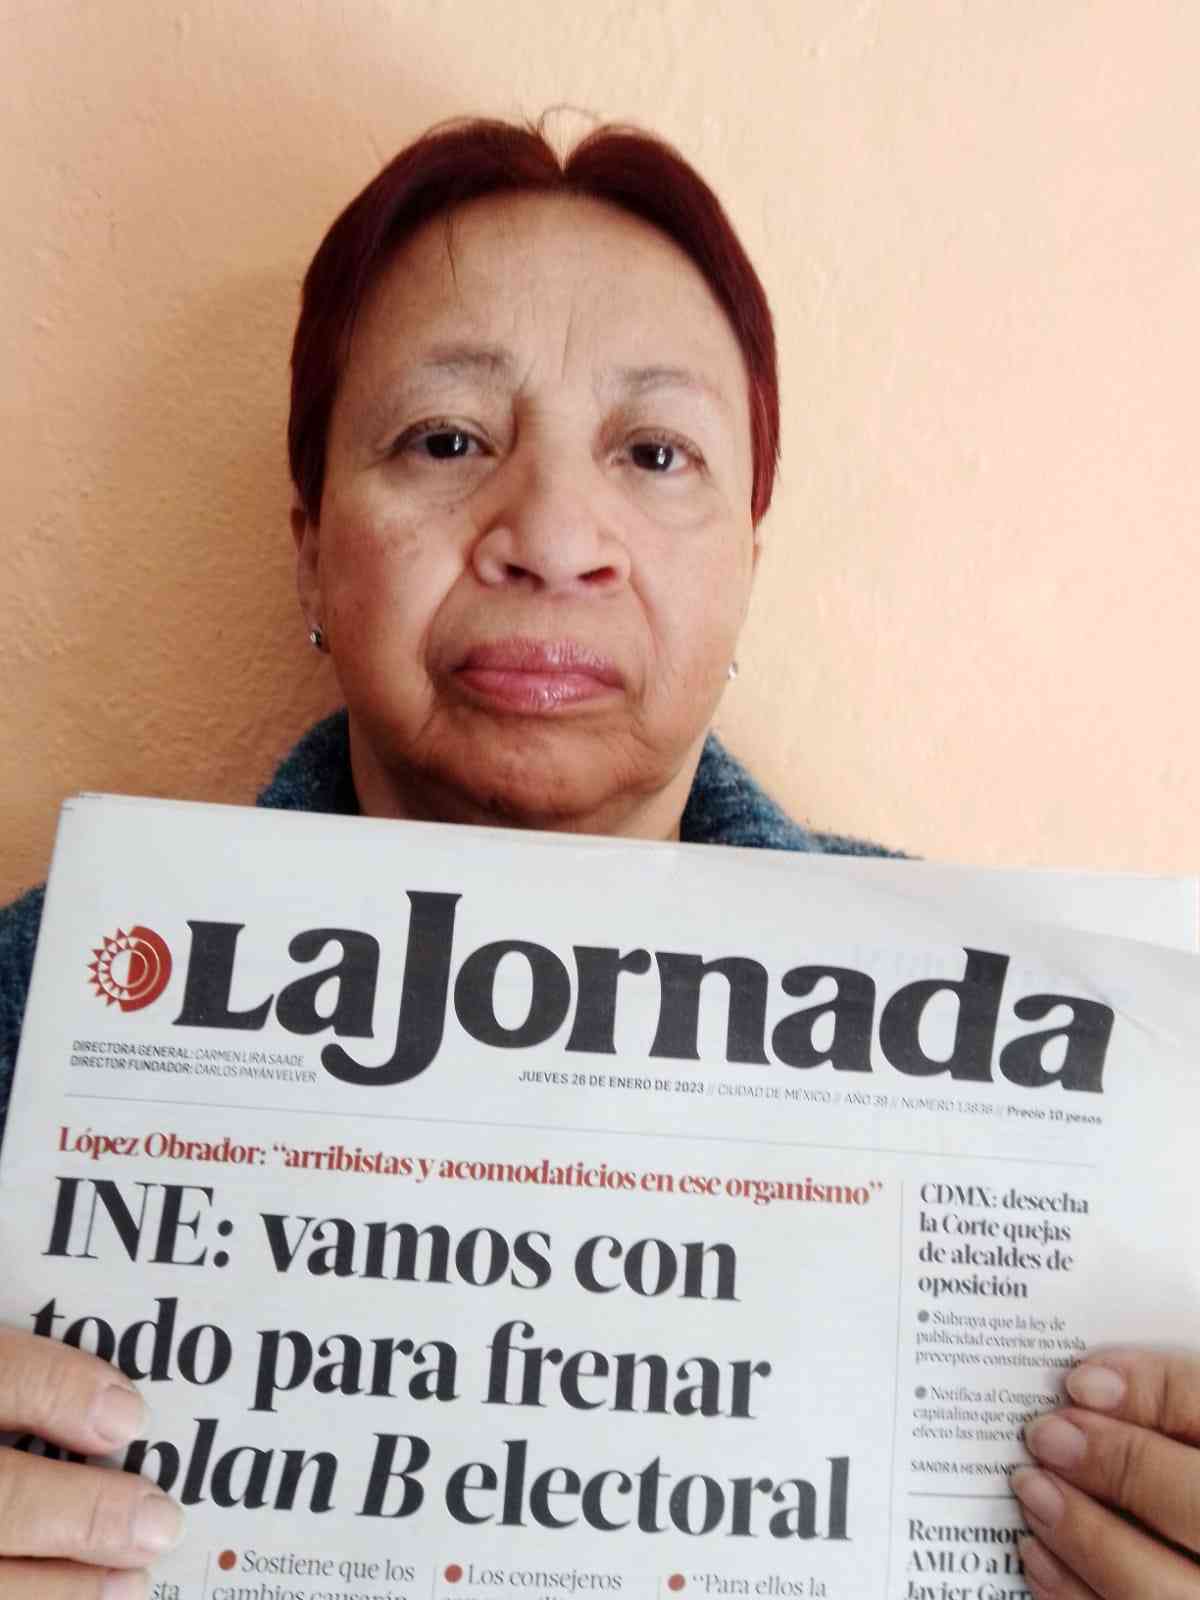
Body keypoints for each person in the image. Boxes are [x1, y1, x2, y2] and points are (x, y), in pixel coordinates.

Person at [0, 117, 1196, 1600]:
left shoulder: (1070, 1074)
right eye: (447, 440)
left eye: (655, 453)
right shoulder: (35, 999)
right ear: (310, 547)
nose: (555, 536)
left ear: (747, 556)